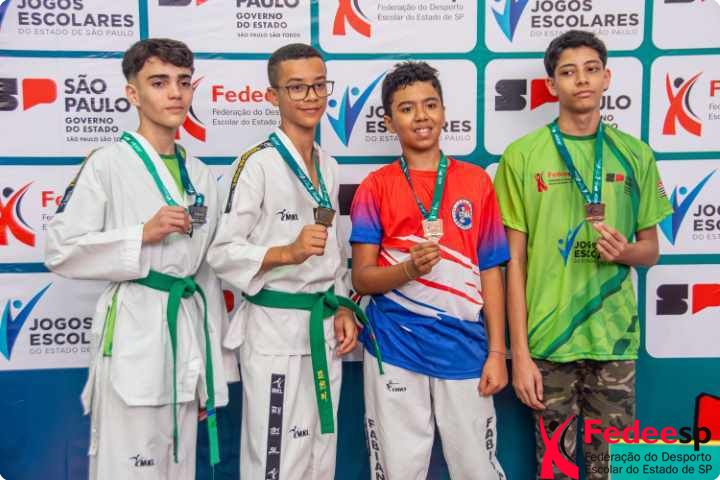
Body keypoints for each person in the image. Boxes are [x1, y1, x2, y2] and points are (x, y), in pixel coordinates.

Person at [44, 38, 237, 480]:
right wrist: (139, 235)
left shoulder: (199, 173)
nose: (175, 93)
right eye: (159, 82)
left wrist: (212, 372)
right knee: (129, 466)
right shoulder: (107, 164)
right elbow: (59, 249)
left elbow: (206, 276)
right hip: (134, 328)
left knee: (178, 466)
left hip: (186, 336)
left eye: (183, 82)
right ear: (133, 93)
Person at [493, 30, 673, 479]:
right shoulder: (521, 156)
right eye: (569, 72)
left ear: (606, 77)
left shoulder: (635, 155)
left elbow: (651, 250)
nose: (582, 80)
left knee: (612, 470)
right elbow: (513, 263)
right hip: (547, 342)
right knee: (554, 469)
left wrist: (627, 251)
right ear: (551, 84)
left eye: (592, 69)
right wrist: (520, 354)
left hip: (614, 340)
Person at [207, 43, 379, 480]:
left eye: (319, 86)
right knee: (276, 458)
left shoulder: (328, 164)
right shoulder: (255, 165)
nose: (311, 96)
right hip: (274, 332)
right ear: (273, 96)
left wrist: (342, 305)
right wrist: (286, 252)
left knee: (320, 452)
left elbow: (334, 251)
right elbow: (221, 252)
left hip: (322, 326)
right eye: (297, 87)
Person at [349, 61, 509, 480]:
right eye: (406, 109)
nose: (421, 116)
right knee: (399, 469)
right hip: (394, 348)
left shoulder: (477, 183)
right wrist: (407, 269)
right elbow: (362, 278)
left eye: (430, 105)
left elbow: (491, 272)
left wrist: (497, 352)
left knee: (477, 468)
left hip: (465, 348)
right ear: (388, 122)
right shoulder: (375, 186)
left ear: (443, 112)